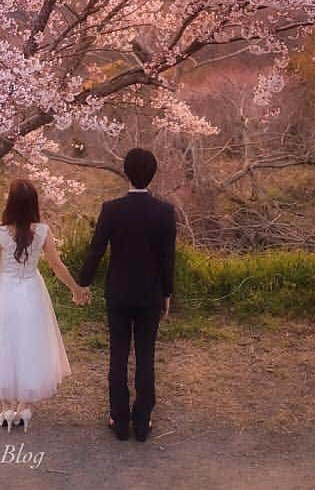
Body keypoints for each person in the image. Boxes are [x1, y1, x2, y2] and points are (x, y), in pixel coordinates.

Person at [0, 178, 87, 431]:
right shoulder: (42, 231)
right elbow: (56, 265)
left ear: (10, 203)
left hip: (3, 292)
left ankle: (8, 408)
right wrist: (76, 288)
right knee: (30, 344)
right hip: (31, 292)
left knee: (4, 344)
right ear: (33, 205)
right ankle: (25, 408)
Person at [77, 147, 176, 441]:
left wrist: (84, 283)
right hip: (150, 295)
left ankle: (119, 420)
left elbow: (96, 251)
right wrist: (167, 292)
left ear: (126, 172)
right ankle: (142, 422)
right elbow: (167, 257)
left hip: (118, 293)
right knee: (146, 355)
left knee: (118, 355)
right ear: (153, 174)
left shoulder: (111, 209)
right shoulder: (164, 211)